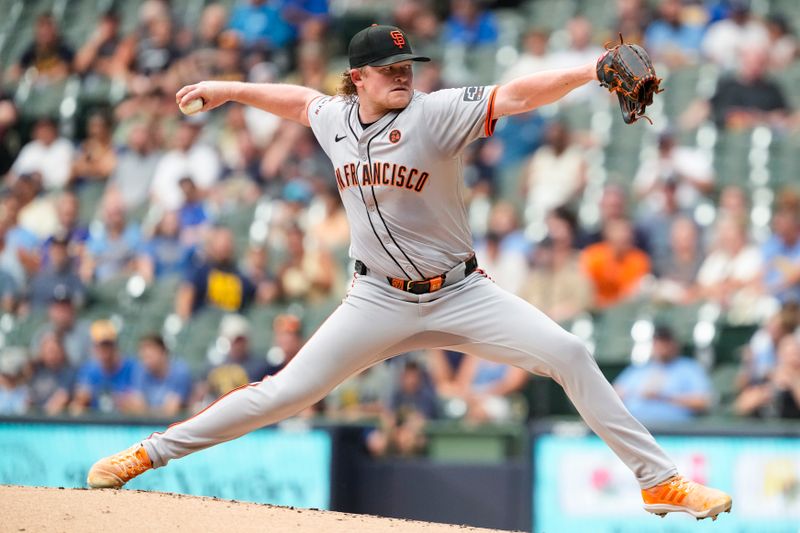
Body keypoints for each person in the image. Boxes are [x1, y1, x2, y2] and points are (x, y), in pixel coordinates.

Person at [88, 24, 731, 521]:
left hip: (461, 292)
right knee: (284, 393)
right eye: (389, 68)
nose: (402, 75)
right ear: (356, 78)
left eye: (407, 65)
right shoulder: (333, 118)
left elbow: (518, 95)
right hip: (376, 298)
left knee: (567, 352)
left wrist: (591, 71)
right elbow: (296, 101)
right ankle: (148, 452)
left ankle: (658, 481)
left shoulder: (434, 113)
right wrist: (228, 89)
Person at [614, 325, 712, 425]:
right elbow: (614, 396)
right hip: (636, 426)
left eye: (666, 342)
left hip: (676, 430)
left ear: (674, 344)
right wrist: (636, 393)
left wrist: (663, 397)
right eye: (658, 342)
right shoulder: (638, 369)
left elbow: (702, 402)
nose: (662, 347)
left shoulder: (689, 368)